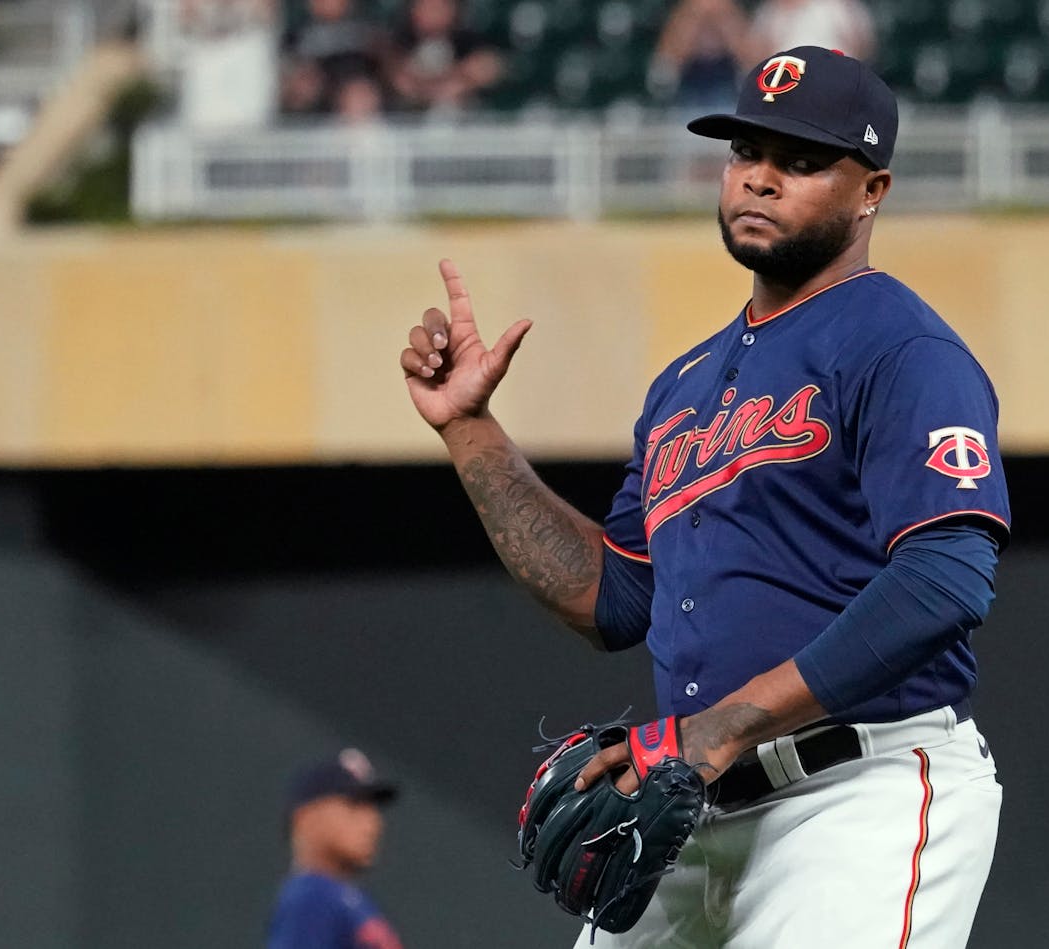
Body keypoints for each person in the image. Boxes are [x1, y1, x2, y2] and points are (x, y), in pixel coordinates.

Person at [400, 47, 1009, 948]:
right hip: (694, 803)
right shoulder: (683, 386)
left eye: (800, 161)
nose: (760, 179)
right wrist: (470, 430)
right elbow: (611, 597)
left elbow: (945, 579)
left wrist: (714, 729)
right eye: (745, 152)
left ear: (871, 189)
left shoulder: (902, 346)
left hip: (859, 793)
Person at [268, 749, 404, 949]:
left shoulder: (347, 898)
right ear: (305, 817)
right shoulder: (311, 898)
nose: (372, 822)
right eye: (355, 804)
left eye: (373, 809)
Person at [386, 0, 503, 114]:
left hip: (463, 118)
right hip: (406, 119)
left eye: (440, 7)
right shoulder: (395, 43)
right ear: (413, 9)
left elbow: (488, 67)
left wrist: (461, 81)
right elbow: (401, 82)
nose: (434, 14)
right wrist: (431, 90)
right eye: (427, 6)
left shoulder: (467, 41)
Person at [652, 0, 753, 112]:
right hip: (685, 99)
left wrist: (724, 19)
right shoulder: (682, 18)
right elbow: (663, 74)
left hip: (728, 96)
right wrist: (694, 18)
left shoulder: (730, 14)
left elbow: (750, 66)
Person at [748, 0, 876, 64]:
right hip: (788, 91)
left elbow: (865, 49)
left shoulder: (838, 6)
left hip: (836, 87)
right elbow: (756, 61)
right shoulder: (771, 12)